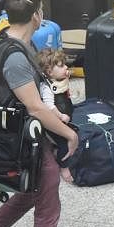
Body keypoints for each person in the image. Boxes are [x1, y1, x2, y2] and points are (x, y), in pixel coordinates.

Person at [0, 0, 79, 227]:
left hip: (26, 132)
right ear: (36, 15)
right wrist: (69, 134)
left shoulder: (14, 41)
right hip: (23, 137)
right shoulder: (15, 57)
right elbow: (34, 107)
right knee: (48, 207)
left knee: (32, 192)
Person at [36, 48, 75, 184]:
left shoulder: (60, 79)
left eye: (65, 64)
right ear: (49, 72)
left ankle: (55, 149)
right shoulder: (47, 87)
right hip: (56, 121)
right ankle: (64, 167)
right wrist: (60, 116)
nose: (66, 67)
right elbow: (49, 106)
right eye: (61, 65)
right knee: (64, 143)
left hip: (67, 115)